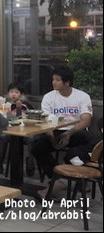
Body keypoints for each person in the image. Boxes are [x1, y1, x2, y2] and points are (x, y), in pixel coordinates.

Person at [32, 66, 100, 198]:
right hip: (55, 132)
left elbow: (86, 121)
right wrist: (51, 138)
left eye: (57, 80)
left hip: (76, 132)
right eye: (53, 79)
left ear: (67, 82)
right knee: (37, 147)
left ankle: (70, 176)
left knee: (93, 141)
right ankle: (58, 177)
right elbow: (46, 122)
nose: (54, 82)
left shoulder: (82, 96)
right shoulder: (49, 97)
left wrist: (68, 134)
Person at [0, 82, 35, 174]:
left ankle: (30, 163)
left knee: (32, 139)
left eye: (16, 92)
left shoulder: (25, 105)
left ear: (21, 95)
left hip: (24, 132)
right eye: (11, 92)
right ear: (8, 93)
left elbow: (30, 117)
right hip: (10, 132)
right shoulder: (5, 106)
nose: (13, 94)